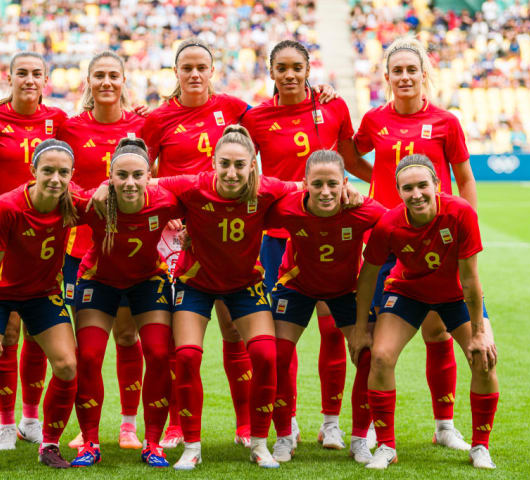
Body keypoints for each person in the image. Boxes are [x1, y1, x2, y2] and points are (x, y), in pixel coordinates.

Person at [141, 38, 336, 449]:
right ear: (175, 73)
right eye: (186, 67)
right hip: (181, 233)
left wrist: (318, 94)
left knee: (234, 330)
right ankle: (177, 426)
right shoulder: (158, 119)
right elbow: (146, 171)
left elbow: (279, 113)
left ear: (212, 71)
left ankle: (247, 425)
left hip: (232, 227)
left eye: (202, 67)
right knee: (184, 341)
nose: (194, 74)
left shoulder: (233, 108)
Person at [243, 40, 374, 449]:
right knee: (285, 334)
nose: (289, 74)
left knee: (334, 329)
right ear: (271, 72)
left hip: (331, 230)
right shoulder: (256, 118)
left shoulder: (333, 107)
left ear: (307, 68)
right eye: (281, 67)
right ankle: (289, 423)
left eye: (296, 67)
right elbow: (243, 170)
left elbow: (350, 162)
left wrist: (384, 185)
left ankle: (331, 423)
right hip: (280, 236)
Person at [352, 36, 479, 450]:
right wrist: (371, 196)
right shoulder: (373, 120)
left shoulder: (446, 121)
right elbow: (351, 157)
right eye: (397, 71)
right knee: (372, 332)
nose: (405, 77)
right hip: (385, 239)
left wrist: (465, 233)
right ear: (387, 77)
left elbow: (463, 180)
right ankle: (370, 425)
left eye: (412, 70)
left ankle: (444, 425)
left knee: (437, 333)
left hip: (435, 242)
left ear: (424, 75)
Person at [349, 155, 499, 470]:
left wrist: (480, 331)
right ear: (399, 192)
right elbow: (367, 277)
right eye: (407, 188)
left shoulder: (460, 213)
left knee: (484, 358)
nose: (416, 193)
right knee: (380, 356)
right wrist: (361, 327)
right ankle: (387, 446)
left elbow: (470, 277)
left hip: (455, 295)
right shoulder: (389, 223)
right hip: (407, 292)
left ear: (437, 186)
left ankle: (480, 447)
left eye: (422, 185)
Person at [0, 51, 68, 450]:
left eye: (36, 73)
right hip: (2, 235)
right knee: (6, 331)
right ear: (9, 76)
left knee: (38, 335)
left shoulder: (57, 119)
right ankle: (6, 423)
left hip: (42, 240)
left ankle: (30, 418)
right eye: (21, 72)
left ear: (46, 78)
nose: (29, 79)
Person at [0, 139, 86, 473]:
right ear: (33, 171)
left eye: (63, 172)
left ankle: (49, 445)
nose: (55, 179)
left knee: (66, 365)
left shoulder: (73, 201)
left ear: (72, 175)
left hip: (42, 293)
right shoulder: (7, 206)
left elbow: (107, 200)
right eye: (48, 170)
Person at [263, 150, 385, 464]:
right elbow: (249, 213)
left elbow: (398, 225)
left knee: (368, 354)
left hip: (344, 290)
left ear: (345, 183)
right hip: (297, 285)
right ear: (304, 184)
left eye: (333, 183)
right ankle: (284, 435)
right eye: (317, 184)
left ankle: (359, 438)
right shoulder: (288, 206)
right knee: (276, 355)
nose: (325, 191)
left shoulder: (363, 210)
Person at [70, 138, 183, 468]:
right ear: (110, 175)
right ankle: (89, 442)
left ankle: (153, 443)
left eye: (138, 175)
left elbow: (206, 187)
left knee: (161, 354)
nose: (130, 183)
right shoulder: (94, 202)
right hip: (98, 280)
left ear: (150, 176)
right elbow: (53, 199)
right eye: (121, 176)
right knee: (88, 356)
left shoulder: (164, 199)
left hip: (148, 281)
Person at [56, 51, 147, 450]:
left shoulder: (143, 125)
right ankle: (86, 426)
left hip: (131, 248)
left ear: (124, 80)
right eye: (100, 76)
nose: (107, 82)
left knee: (128, 336)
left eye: (114, 75)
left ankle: (128, 425)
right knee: (87, 346)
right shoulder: (69, 128)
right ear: (88, 82)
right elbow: (58, 177)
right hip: (81, 249)